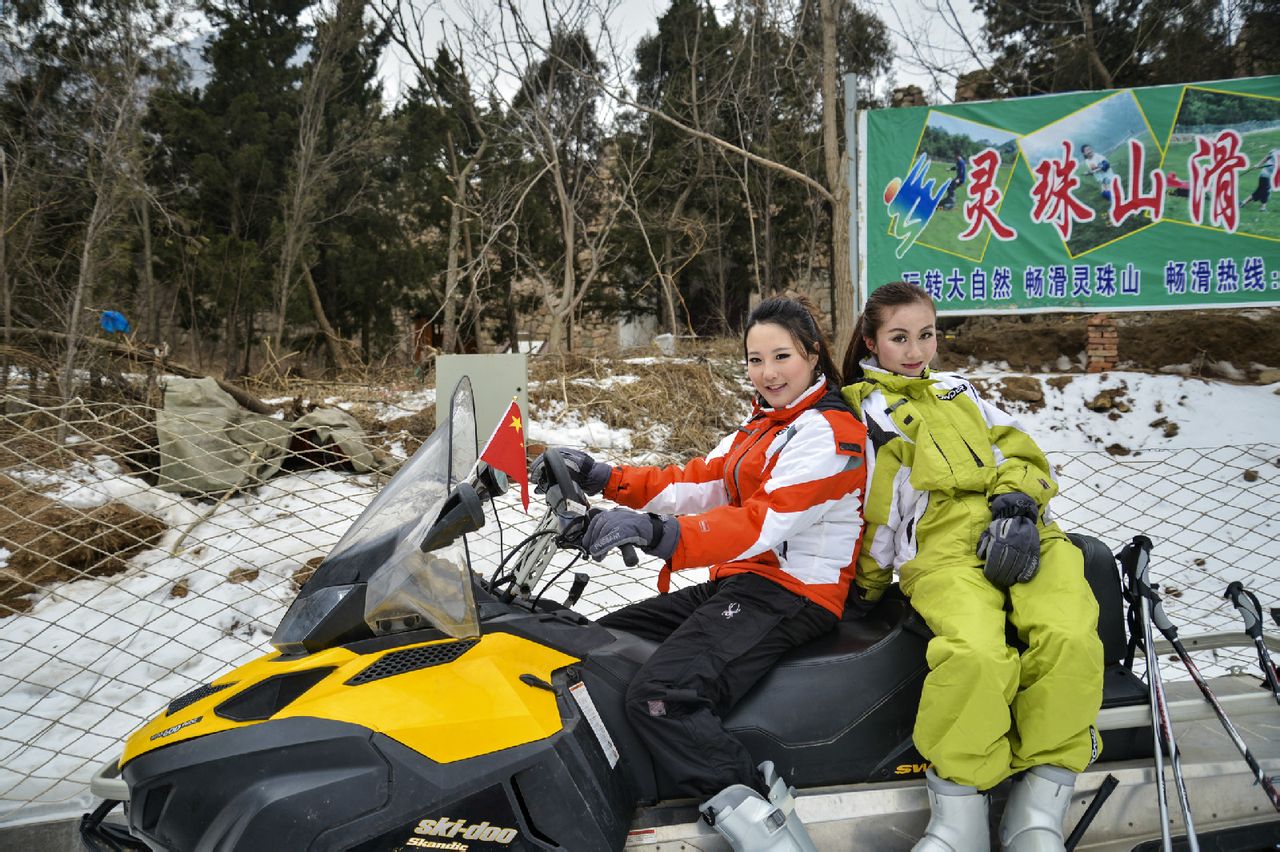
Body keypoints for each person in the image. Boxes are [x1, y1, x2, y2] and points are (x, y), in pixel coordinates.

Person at [531, 297, 867, 851]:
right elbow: (698, 484)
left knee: (664, 695)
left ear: (812, 356)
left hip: (794, 593)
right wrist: (603, 477)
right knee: (603, 646)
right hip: (746, 582)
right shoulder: (764, 428)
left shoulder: (831, 434)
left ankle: (770, 836)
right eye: (755, 360)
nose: (767, 373)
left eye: (781, 356)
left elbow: (763, 522)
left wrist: (657, 535)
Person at [840, 281, 1103, 852]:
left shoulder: (962, 390)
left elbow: (1024, 452)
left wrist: (1019, 503)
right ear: (871, 342)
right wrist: (867, 587)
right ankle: (958, 812)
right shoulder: (867, 410)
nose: (916, 351)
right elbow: (877, 506)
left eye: (927, 335)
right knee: (977, 653)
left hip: (1019, 526)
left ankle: (1040, 804)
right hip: (938, 544)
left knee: (1070, 636)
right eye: (900, 338)